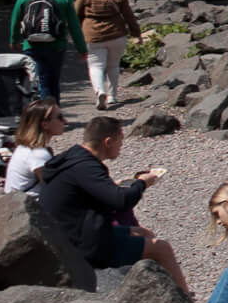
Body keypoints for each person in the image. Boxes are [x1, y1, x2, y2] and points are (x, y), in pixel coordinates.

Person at [38, 116, 189, 289]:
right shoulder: (87, 166)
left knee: (141, 233)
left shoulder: (71, 158)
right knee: (162, 248)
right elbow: (121, 201)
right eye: (120, 141)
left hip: (68, 235)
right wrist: (143, 182)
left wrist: (127, 229)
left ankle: (157, 292)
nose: (121, 146)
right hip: (82, 246)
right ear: (108, 142)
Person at [7, 0, 88, 102]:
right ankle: (53, 114)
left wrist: (14, 40)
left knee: (40, 80)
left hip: (31, 46)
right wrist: (81, 48)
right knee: (53, 81)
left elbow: (15, 20)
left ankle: (46, 115)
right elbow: (74, 25)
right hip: (56, 46)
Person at [74, 0, 144, 110]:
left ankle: (100, 91)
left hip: (93, 36)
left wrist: (77, 32)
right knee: (113, 65)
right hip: (117, 35)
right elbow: (129, 16)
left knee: (96, 66)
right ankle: (112, 96)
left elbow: (75, 13)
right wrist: (136, 34)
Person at [2, 99, 66, 198]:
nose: (65, 121)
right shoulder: (38, 154)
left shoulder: (26, 147)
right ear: (45, 124)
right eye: (60, 117)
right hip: (27, 208)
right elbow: (55, 190)